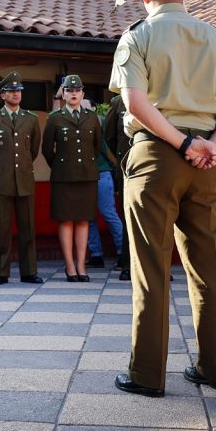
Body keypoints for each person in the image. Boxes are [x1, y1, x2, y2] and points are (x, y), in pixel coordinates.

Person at [109, 0, 216, 398]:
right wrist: (211, 144)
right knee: (207, 264)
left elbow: (134, 103)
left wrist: (182, 143)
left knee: (151, 266)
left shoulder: (138, 37)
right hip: (205, 163)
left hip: (157, 156)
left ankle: (147, 374)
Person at [0, 71, 42, 285]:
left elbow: (33, 150)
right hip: (1, 181)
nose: (16, 94)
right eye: (11, 91)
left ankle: (29, 271)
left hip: (24, 180)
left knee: (28, 229)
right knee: (2, 230)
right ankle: (1, 272)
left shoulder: (31, 119)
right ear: (2, 95)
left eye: (18, 91)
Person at [42, 75, 101, 282]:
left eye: (77, 90)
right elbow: (47, 150)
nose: (73, 93)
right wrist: (61, 166)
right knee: (66, 221)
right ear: (63, 94)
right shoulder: (55, 118)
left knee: (83, 221)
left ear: (82, 93)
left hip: (86, 176)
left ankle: (81, 266)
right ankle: (69, 267)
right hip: (63, 177)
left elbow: (97, 146)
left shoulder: (91, 117)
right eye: (69, 90)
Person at [86, 116, 124, 272]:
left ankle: (123, 252)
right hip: (85, 177)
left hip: (102, 175)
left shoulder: (98, 132)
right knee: (87, 218)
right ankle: (96, 255)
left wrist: (117, 180)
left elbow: (112, 158)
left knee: (108, 213)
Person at [103, 94, 133, 280]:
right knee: (129, 217)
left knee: (160, 216)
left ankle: (160, 267)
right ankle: (128, 264)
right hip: (127, 167)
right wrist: (120, 161)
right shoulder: (119, 102)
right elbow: (109, 137)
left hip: (156, 166)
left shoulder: (161, 96)